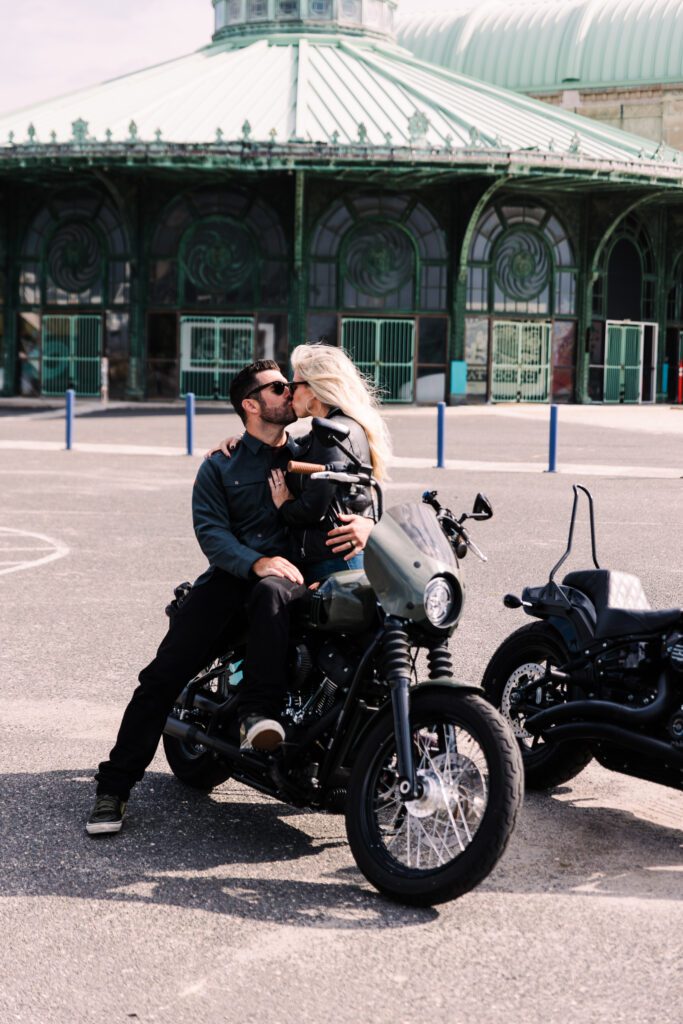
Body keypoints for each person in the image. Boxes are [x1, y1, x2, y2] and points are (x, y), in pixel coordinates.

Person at [86, 359, 372, 836]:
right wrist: (254, 562)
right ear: (251, 404)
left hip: (286, 585)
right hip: (230, 582)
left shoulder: (314, 449)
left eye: (290, 385)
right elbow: (212, 533)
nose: (290, 392)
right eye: (279, 387)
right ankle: (112, 788)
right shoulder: (221, 463)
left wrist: (367, 527)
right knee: (161, 678)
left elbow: (359, 492)